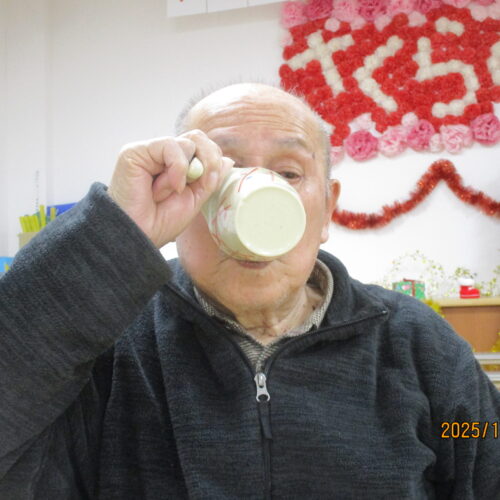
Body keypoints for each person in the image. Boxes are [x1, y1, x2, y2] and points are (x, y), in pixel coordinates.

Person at [0, 83, 498, 500]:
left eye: (288, 174)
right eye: (223, 174)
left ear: (327, 209)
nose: (259, 196)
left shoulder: (419, 345)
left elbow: (483, 446)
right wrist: (113, 232)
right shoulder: (111, 347)